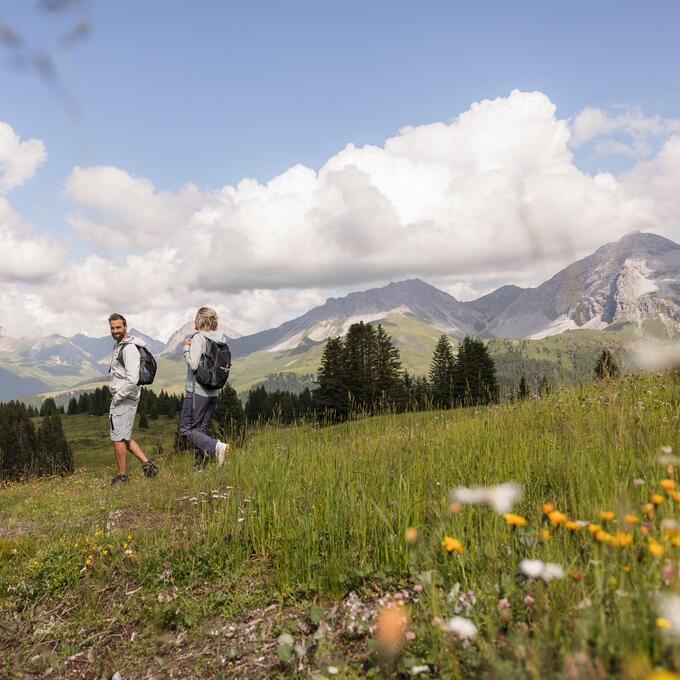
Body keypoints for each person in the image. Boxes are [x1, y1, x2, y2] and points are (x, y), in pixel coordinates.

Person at [108, 313, 158, 487]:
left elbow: (132, 379)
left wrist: (118, 397)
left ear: (125, 326)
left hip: (124, 398)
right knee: (124, 435)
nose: (115, 331)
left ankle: (122, 477)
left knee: (118, 438)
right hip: (124, 397)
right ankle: (148, 466)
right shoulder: (119, 345)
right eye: (112, 328)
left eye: (118, 327)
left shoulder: (128, 349)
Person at [179, 307, 230, 470]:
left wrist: (186, 348)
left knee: (186, 429)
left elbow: (193, 365)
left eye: (196, 318)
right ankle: (199, 467)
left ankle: (217, 447)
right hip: (213, 393)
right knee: (199, 430)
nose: (194, 322)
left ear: (202, 320)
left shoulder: (199, 338)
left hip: (197, 391)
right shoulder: (220, 340)